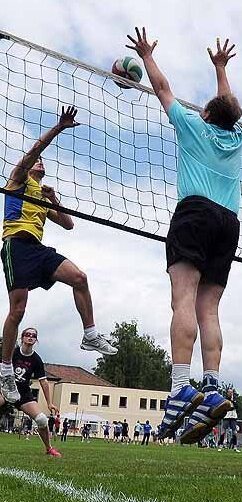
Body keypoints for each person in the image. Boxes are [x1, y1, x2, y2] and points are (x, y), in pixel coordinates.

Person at [126, 28, 242, 444]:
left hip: (194, 213)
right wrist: (221, 69)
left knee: (183, 299)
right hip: (229, 222)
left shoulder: (194, 125)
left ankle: (179, 389)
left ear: (208, 114)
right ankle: (211, 386)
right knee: (208, 308)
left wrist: (146, 55)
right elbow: (230, 107)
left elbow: (161, 87)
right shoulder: (237, 138)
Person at [0, 106, 117, 403]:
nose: (39, 162)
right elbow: (35, 148)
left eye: (41, 162)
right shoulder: (18, 180)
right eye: (36, 161)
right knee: (18, 310)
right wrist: (60, 127)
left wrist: (54, 198)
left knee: (79, 277)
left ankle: (89, 333)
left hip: (38, 250)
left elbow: (68, 223)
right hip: (15, 245)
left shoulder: (42, 195)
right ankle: (5, 368)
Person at [0, 327, 61, 456]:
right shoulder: (13, 352)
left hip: (23, 395)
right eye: (27, 334)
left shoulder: (36, 360)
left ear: (36, 340)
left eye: (33, 335)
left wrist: (49, 403)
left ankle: (49, 448)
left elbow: (43, 382)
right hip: (6, 389)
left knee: (42, 420)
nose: (30, 337)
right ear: (22, 337)